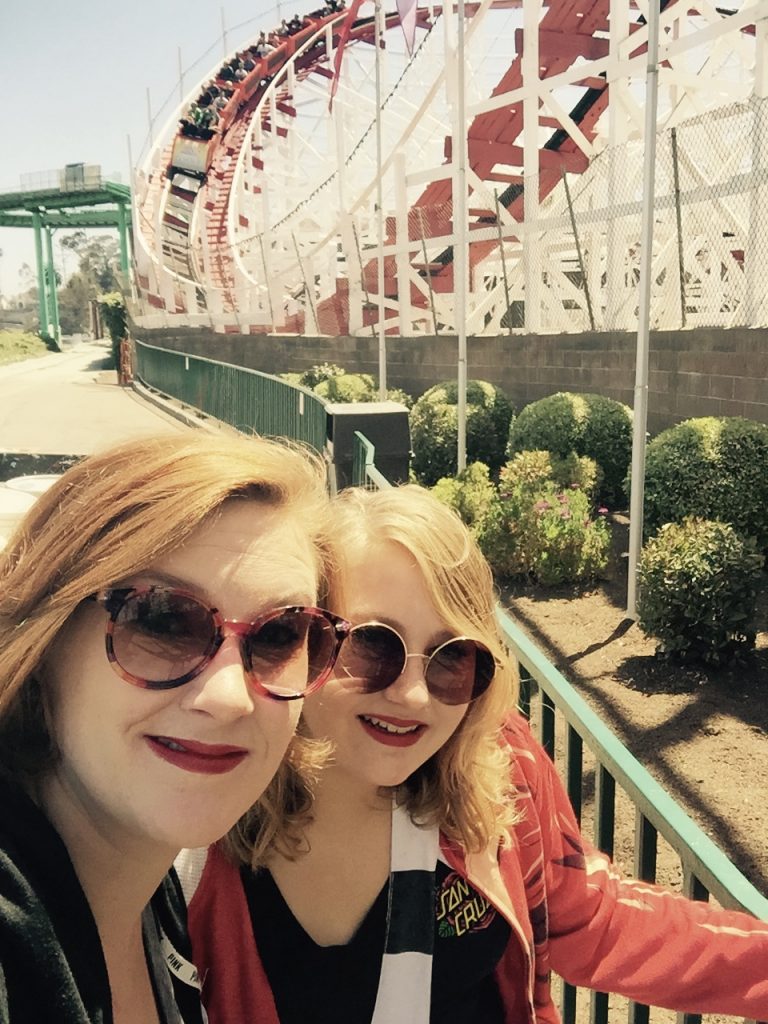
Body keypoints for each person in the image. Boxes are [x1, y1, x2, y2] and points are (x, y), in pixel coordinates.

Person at [179, 484, 768, 1023]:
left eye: (452, 660)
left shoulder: (499, 769)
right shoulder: (199, 816)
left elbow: (593, 919)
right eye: (372, 646)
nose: (411, 695)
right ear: (301, 640)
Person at [0, 433, 349, 1023]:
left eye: (280, 635)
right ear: (46, 638)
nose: (229, 696)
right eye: (163, 620)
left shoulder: (151, 893)